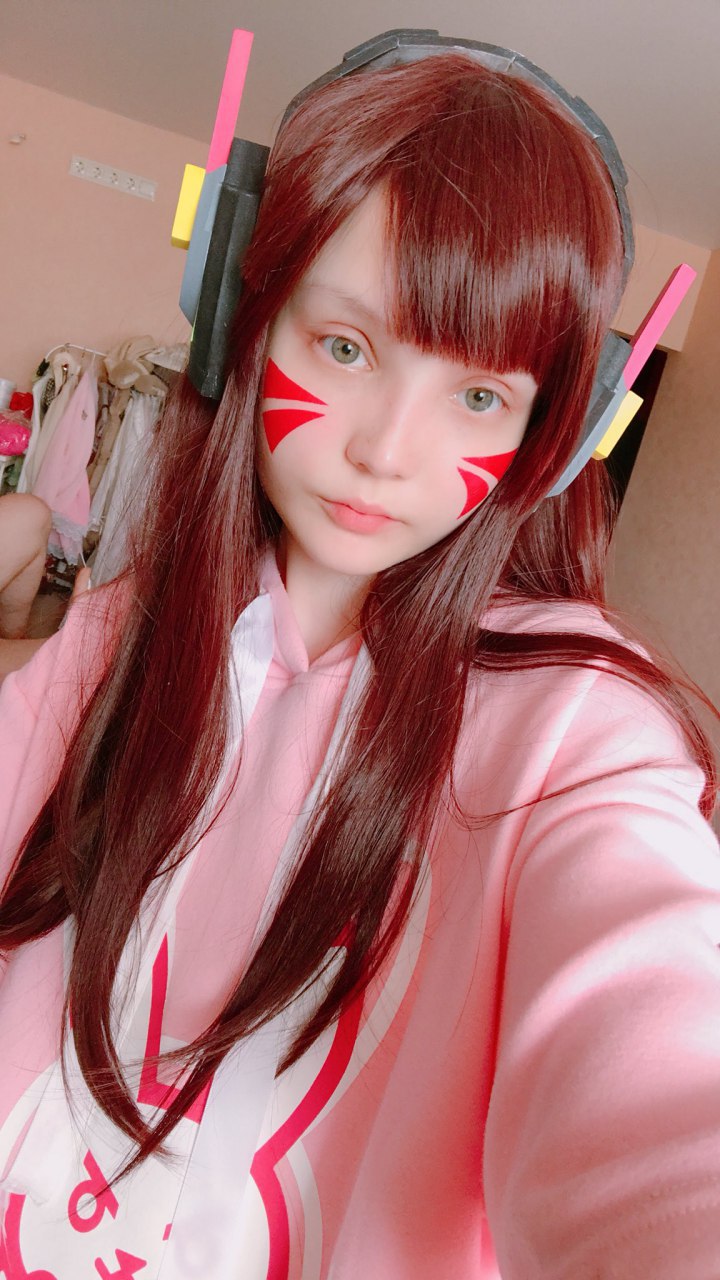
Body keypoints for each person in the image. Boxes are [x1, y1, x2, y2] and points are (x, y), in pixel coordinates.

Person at [1, 38, 719, 1280]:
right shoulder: (113, 637)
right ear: (245, 314)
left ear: (552, 439)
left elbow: (657, 1100)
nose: (388, 449)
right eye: (345, 346)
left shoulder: (573, 733)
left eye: (479, 398)